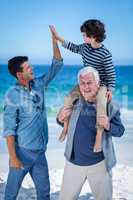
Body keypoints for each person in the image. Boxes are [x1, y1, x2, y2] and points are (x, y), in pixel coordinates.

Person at [2, 29, 63, 200]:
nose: (32, 68)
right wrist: (13, 158)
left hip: (40, 153)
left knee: (44, 193)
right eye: (29, 67)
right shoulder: (12, 95)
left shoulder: (38, 84)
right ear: (20, 74)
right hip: (22, 154)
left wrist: (54, 41)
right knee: (11, 194)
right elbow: (8, 130)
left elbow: (57, 65)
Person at [57, 67, 125, 200]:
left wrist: (108, 125)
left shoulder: (110, 106)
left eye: (90, 83)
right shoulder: (75, 100)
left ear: (98, 84)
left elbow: (120, 131)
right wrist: (60, 119)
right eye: (82, 83)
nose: (86, 87)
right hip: (73, 163)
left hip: (99, 163)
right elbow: (63, 119)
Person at [50, 19, 116, 152]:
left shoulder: (105, 54)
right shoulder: (84, 48)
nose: (83, 37)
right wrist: (58, 38)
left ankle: (98, 136)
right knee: (68, 98)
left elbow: (111, 74)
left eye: (84, 35)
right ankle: (66, 127)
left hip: (101, 85)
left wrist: (110, 89)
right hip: (85, 83)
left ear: (93, 36)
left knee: (101, 106)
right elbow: (72, 47)